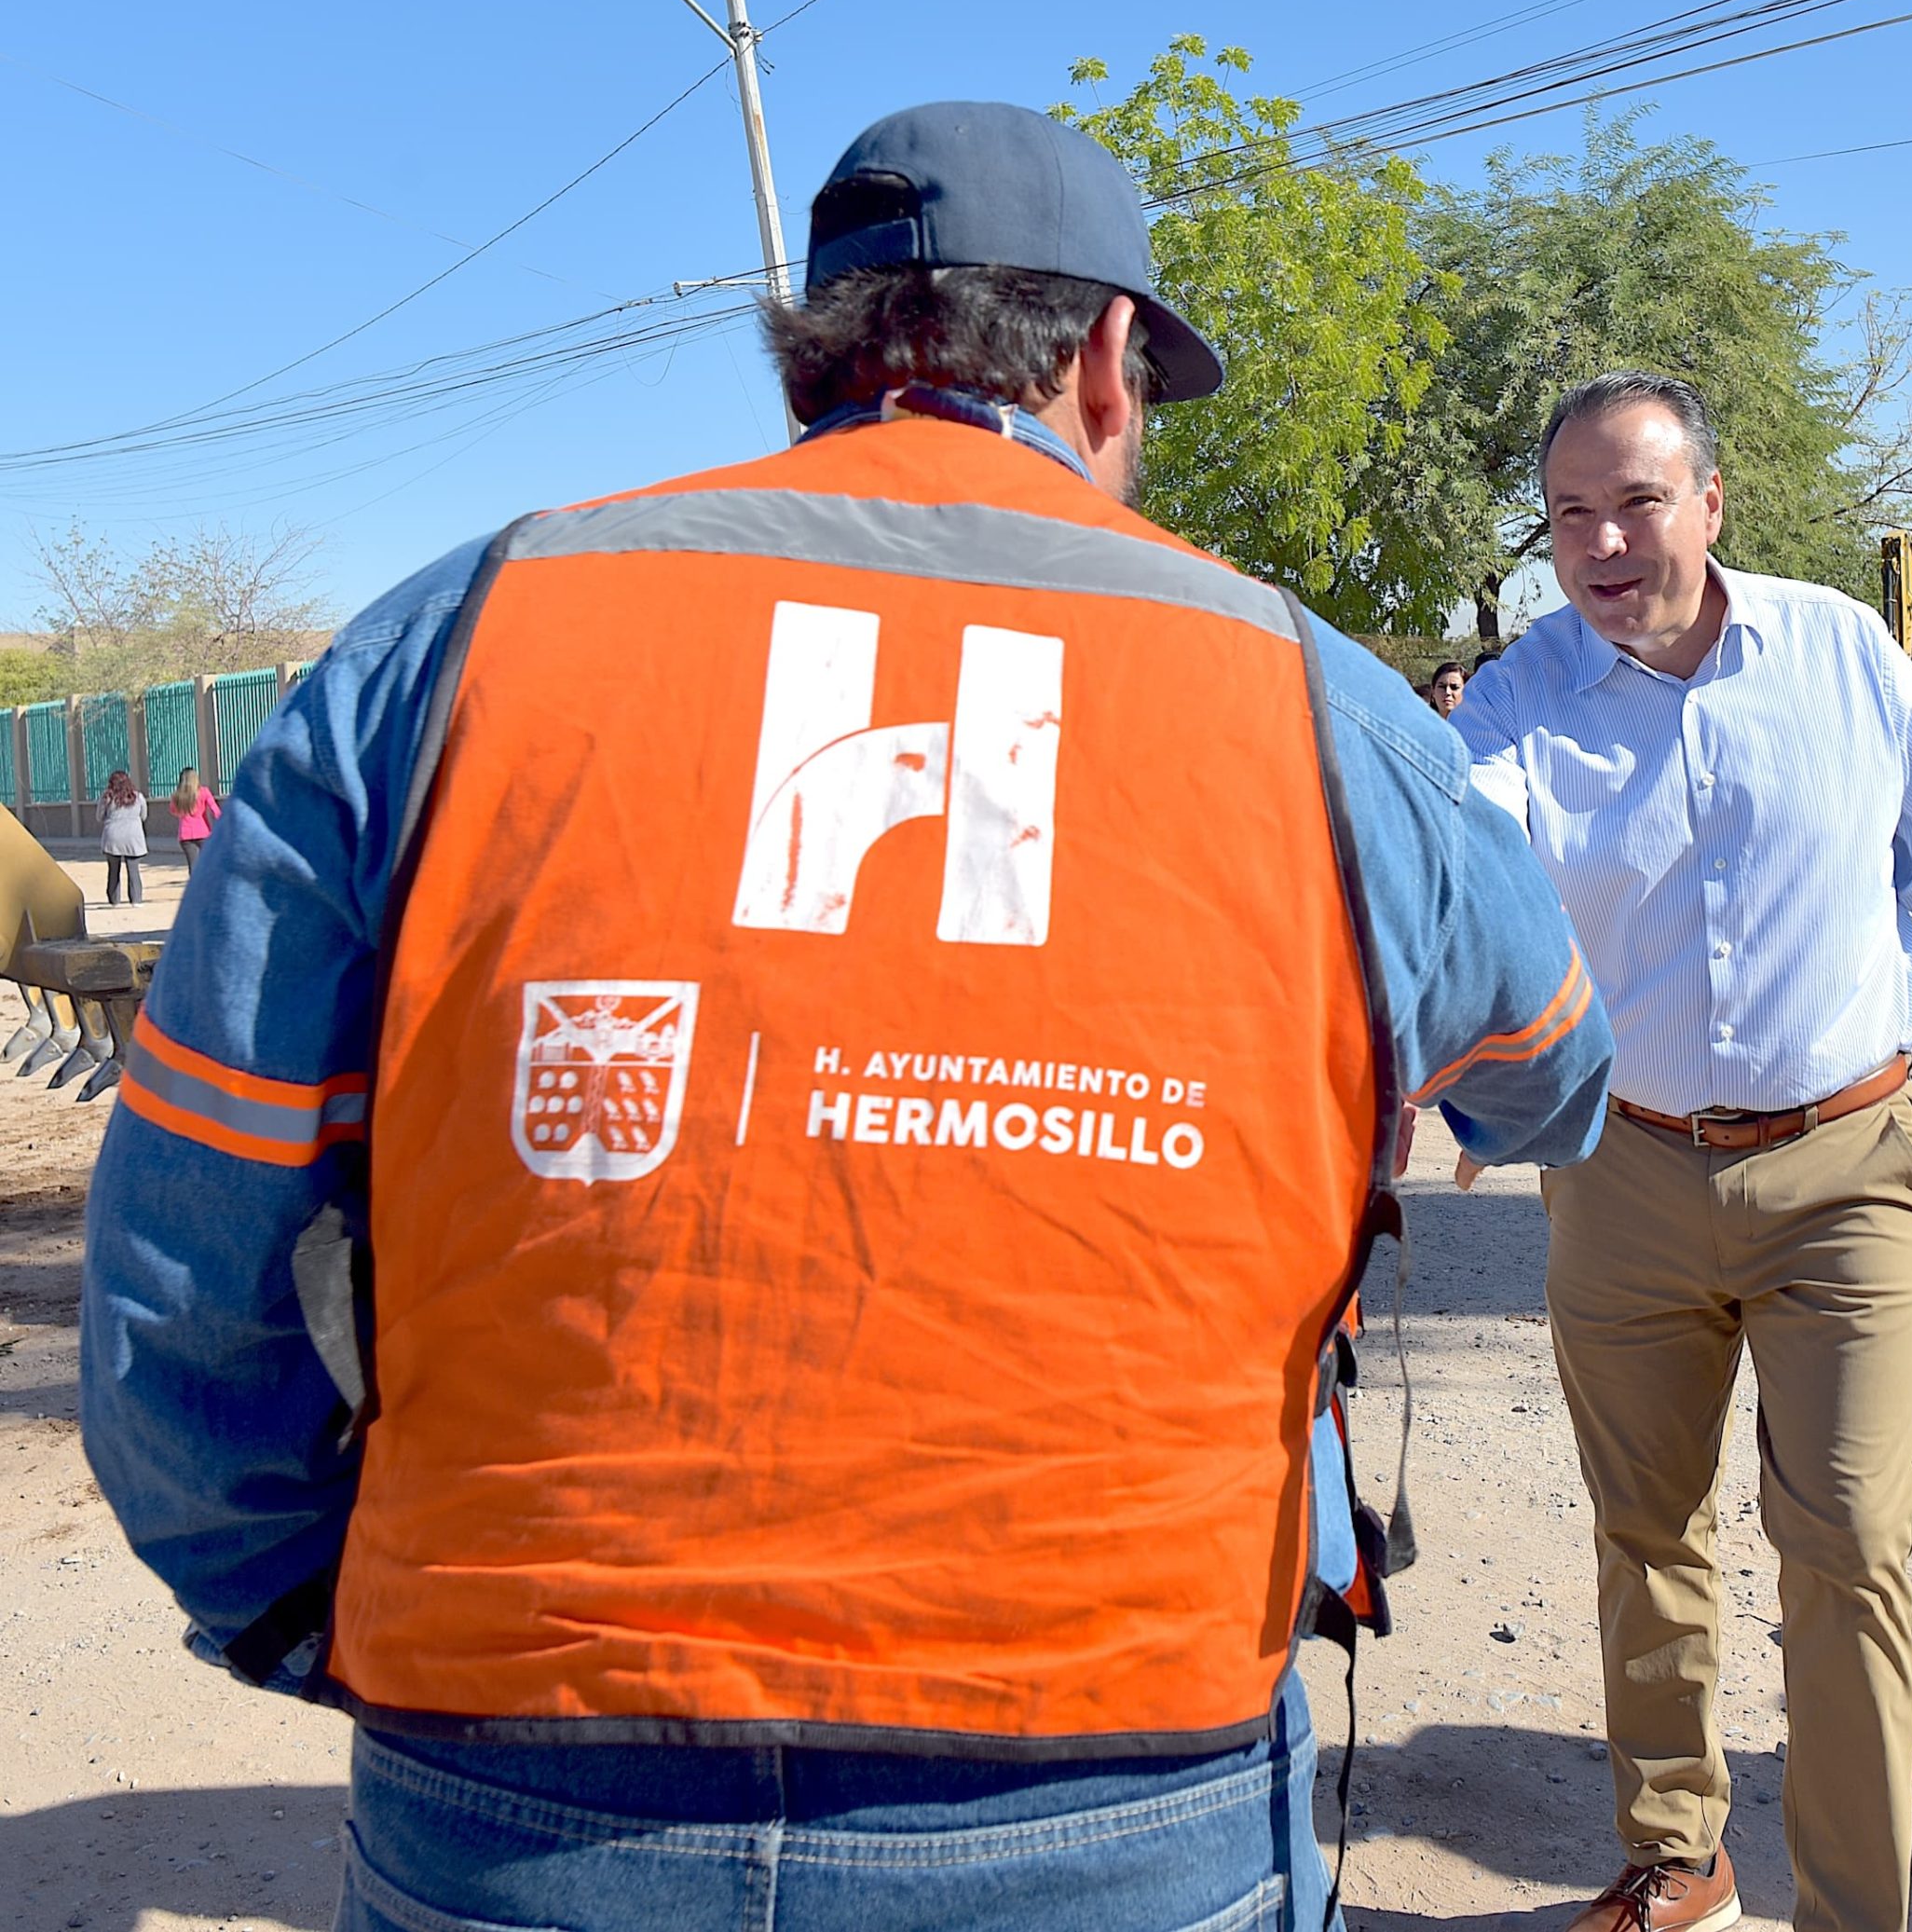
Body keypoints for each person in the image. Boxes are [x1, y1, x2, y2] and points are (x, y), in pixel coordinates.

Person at [81, 100, 1616, 1932]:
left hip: (518, 1771)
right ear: (1107, 359)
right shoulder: (1317, 703)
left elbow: (190, 1238)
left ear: (814, 357)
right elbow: (1549, 1078)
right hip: (1122, 1778)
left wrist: (298, 1587)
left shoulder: (455, 639)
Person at [1452, 371, 1912, 1932]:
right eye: (1571, 514)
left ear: (1711, 503)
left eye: (1637, 501)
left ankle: (1856, 1913)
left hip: (1845, 1164)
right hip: (1622, 1171)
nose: (1602, 541)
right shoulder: (1523, 698)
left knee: (1847, 1541)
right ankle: (1681, 1860)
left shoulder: (1842, 651)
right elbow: (1456, 873)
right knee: (1645, 1529)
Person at [97, 768, 147, 905]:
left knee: (113, 870)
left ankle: (114, 901)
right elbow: (143, 816)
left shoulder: (107, 797)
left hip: (112, 836)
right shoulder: (138, 797)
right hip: (133, 837)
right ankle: (136, 900)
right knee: (133, 869)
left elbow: (99, 816)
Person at [170, 766, 222, 870]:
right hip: (203, 832)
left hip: (185, 834)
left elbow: (173, 811)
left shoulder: (177, 796)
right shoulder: (204, 792)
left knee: (193, 866)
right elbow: (215, 811)